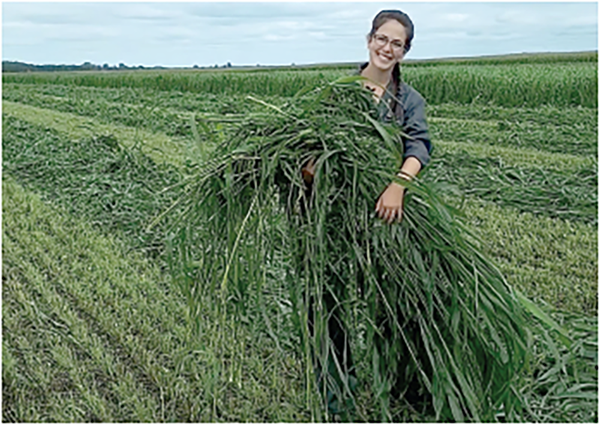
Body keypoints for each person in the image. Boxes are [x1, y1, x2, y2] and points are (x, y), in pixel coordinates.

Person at [302, 9, 432, 418]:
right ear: (369, 39)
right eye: (382, 38)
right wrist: (310, 169)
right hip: (334, 220)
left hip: (385, 221)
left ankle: (402, 389)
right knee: (329, 311)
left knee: (396, 307)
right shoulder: (338, 93)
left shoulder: (408, 100)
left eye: (397, 43)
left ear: (405, 52)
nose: (387, 48)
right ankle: (336, 400)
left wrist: (398, 186)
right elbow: (309, 147)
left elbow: (419, 147)